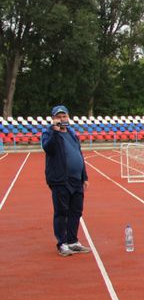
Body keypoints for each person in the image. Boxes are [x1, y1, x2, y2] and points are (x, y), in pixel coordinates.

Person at [40, 105, 91, 256]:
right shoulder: (48, 133)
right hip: (60, 179)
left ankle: (73, 241)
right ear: (53, 119)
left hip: (76, 180)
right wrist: (55, 131)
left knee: (76, 211)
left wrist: (84, 176)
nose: (62, 119)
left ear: (68, 117)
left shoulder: (71, 133)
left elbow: (78, 154)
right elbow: (48, 148)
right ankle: (62, 243)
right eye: (58, 117)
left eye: (64, 116)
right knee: (62, 212)